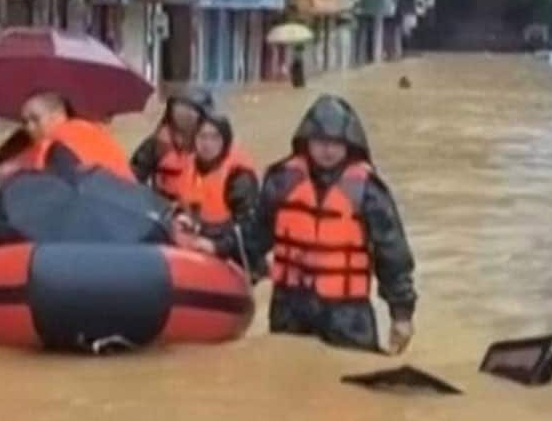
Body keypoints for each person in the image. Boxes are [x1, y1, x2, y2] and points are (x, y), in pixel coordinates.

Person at [251, 95, 417, 354]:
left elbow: (392, 254)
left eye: (336, 143)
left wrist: (402, 314)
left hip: (347, 313)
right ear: (307, 142)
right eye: (320, 142)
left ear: (349, 145)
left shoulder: (369, 190)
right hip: (290, 307)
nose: (328, 150)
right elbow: (254, 238)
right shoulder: (281, 181)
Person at [174, 112, 263, 276]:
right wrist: (180, 218)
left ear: (225, 141)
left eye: (215, 138)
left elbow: (250, 230)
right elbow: (183, 205)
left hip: (234, 254)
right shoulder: (189, 167)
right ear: (194, 139)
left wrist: (217, 247)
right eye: (202, 137)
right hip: (200, 245)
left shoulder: (239, 177)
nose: (207, 144)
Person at [19, 91, 133, 181]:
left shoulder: (58, 147)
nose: (29, 127)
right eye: (25, 122)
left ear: (57, 116)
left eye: (35, 119)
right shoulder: (90, 131)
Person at [130, 85, 214, 201]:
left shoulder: (211, 146)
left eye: (189, 114)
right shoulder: (158, 144)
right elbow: (132, 178)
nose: (184, 118)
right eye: (179, 112)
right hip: (163, 209)